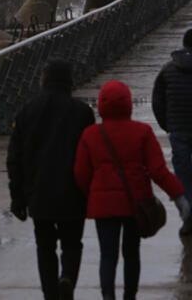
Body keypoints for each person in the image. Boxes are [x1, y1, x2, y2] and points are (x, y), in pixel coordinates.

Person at [74, 80, 190, 300]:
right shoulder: (142, 132)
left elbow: (81, 173)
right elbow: (158, 171)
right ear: (128, 103)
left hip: (104, 206)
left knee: (108, 255)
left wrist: (92, 194)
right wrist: (179, 196)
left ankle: (108, 295)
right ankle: (129, 295)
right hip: (135, 202)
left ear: (101, 104)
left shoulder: (90, 135)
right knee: (131, 253)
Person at [7, 59, 95, 300]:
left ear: (44, 80)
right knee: (72, 243)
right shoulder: (83, 112)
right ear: (69, 81)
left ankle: (49, 294)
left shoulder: (27, 112)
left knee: (45, 247)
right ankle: (67, 278)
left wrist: (17, 197)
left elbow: (14, 158)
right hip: (73, 191)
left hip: (39, 191)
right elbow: (91, 156)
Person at [152, 29, 192, 233]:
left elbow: (157, 101)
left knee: (183, 173)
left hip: (178, 130)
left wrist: (168, 125)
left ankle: (188, 215)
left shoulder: (168, 70)